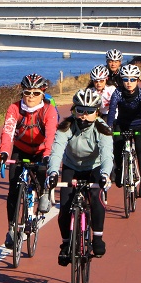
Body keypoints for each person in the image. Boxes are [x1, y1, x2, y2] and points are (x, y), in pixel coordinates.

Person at [47, 88, 113, 264]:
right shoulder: (66, 127)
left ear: (97, 113)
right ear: (73, 110)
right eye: (80, 110)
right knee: (65, 206)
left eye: (90, 112)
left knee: (96, 197)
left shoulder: (103, 129)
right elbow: (56, 151)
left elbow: (107, 155)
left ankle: (97, 237)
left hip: (95, 167)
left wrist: (105, 175)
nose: (84, 115)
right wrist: (53, 172)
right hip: (71, 166)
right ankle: (66, 243)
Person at [0, 73, 58, 249]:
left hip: (40, 152)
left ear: (42, 93)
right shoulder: (14, 108)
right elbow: (8, 131)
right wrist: (4, 153)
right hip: (20, 150)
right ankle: (11, 229)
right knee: (14, 191)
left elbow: (51, 135)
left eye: (36, 93)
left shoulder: (48, 110)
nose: (31, 96)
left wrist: (47, 156)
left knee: (40, 179)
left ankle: (44, 192)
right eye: (27, 92)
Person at [107, 64, 141, 198]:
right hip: (122, 124)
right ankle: (119, 168)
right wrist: (109, 127)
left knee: (140, 149)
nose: (129, 83)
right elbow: (112, 110)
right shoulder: (117, 92)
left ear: (138, 80)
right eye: (125, 79)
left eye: (132, 79)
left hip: (138, 125)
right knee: (117, 147)